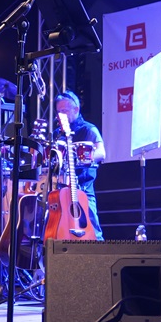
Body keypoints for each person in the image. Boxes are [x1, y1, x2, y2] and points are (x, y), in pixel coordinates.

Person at [53, 91, 106, 240]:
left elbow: (101, 153)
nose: (61, 115)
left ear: (76, 109)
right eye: (58, 112)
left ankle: (99, 251)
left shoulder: (88, 129)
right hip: (61, 187)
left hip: (83, 185)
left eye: (64, 111)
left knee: (91, 225)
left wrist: (78, 160)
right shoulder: (57, 133)